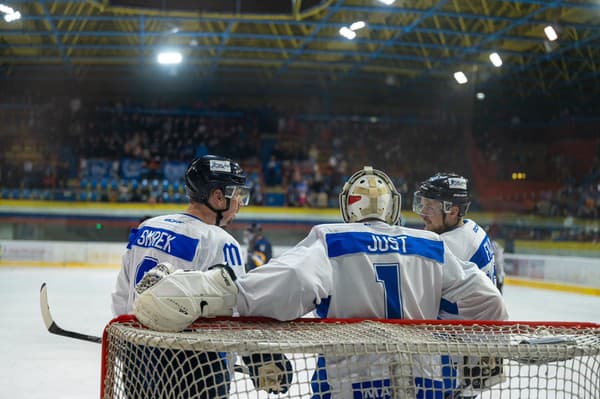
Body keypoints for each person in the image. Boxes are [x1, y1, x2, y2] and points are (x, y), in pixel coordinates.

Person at [134, 166, 508, 399]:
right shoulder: (433, 246)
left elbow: (289, 284)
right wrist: (472, 350)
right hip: (429, 386)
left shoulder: (333, 239)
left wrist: (208, 292)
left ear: (350, 207)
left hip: (352, 386)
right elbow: (488, 303)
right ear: (393, 207)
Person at [111, 154, 251, 399]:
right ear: (218, 197)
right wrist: (250, 359)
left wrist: (127, 341)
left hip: (137, 352)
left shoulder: (147, 227)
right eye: (237, 194)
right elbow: (236, 310)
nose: (240, 203)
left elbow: (123, 293)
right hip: (195, 364)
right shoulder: (220, 241)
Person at [413, 173, 502, 397]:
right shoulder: (473, 229)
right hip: (473, 352)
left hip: (453, 359)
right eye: (421, 205)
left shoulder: (446, 247)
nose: (423, 214)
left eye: (430, 207)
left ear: (452, 211)